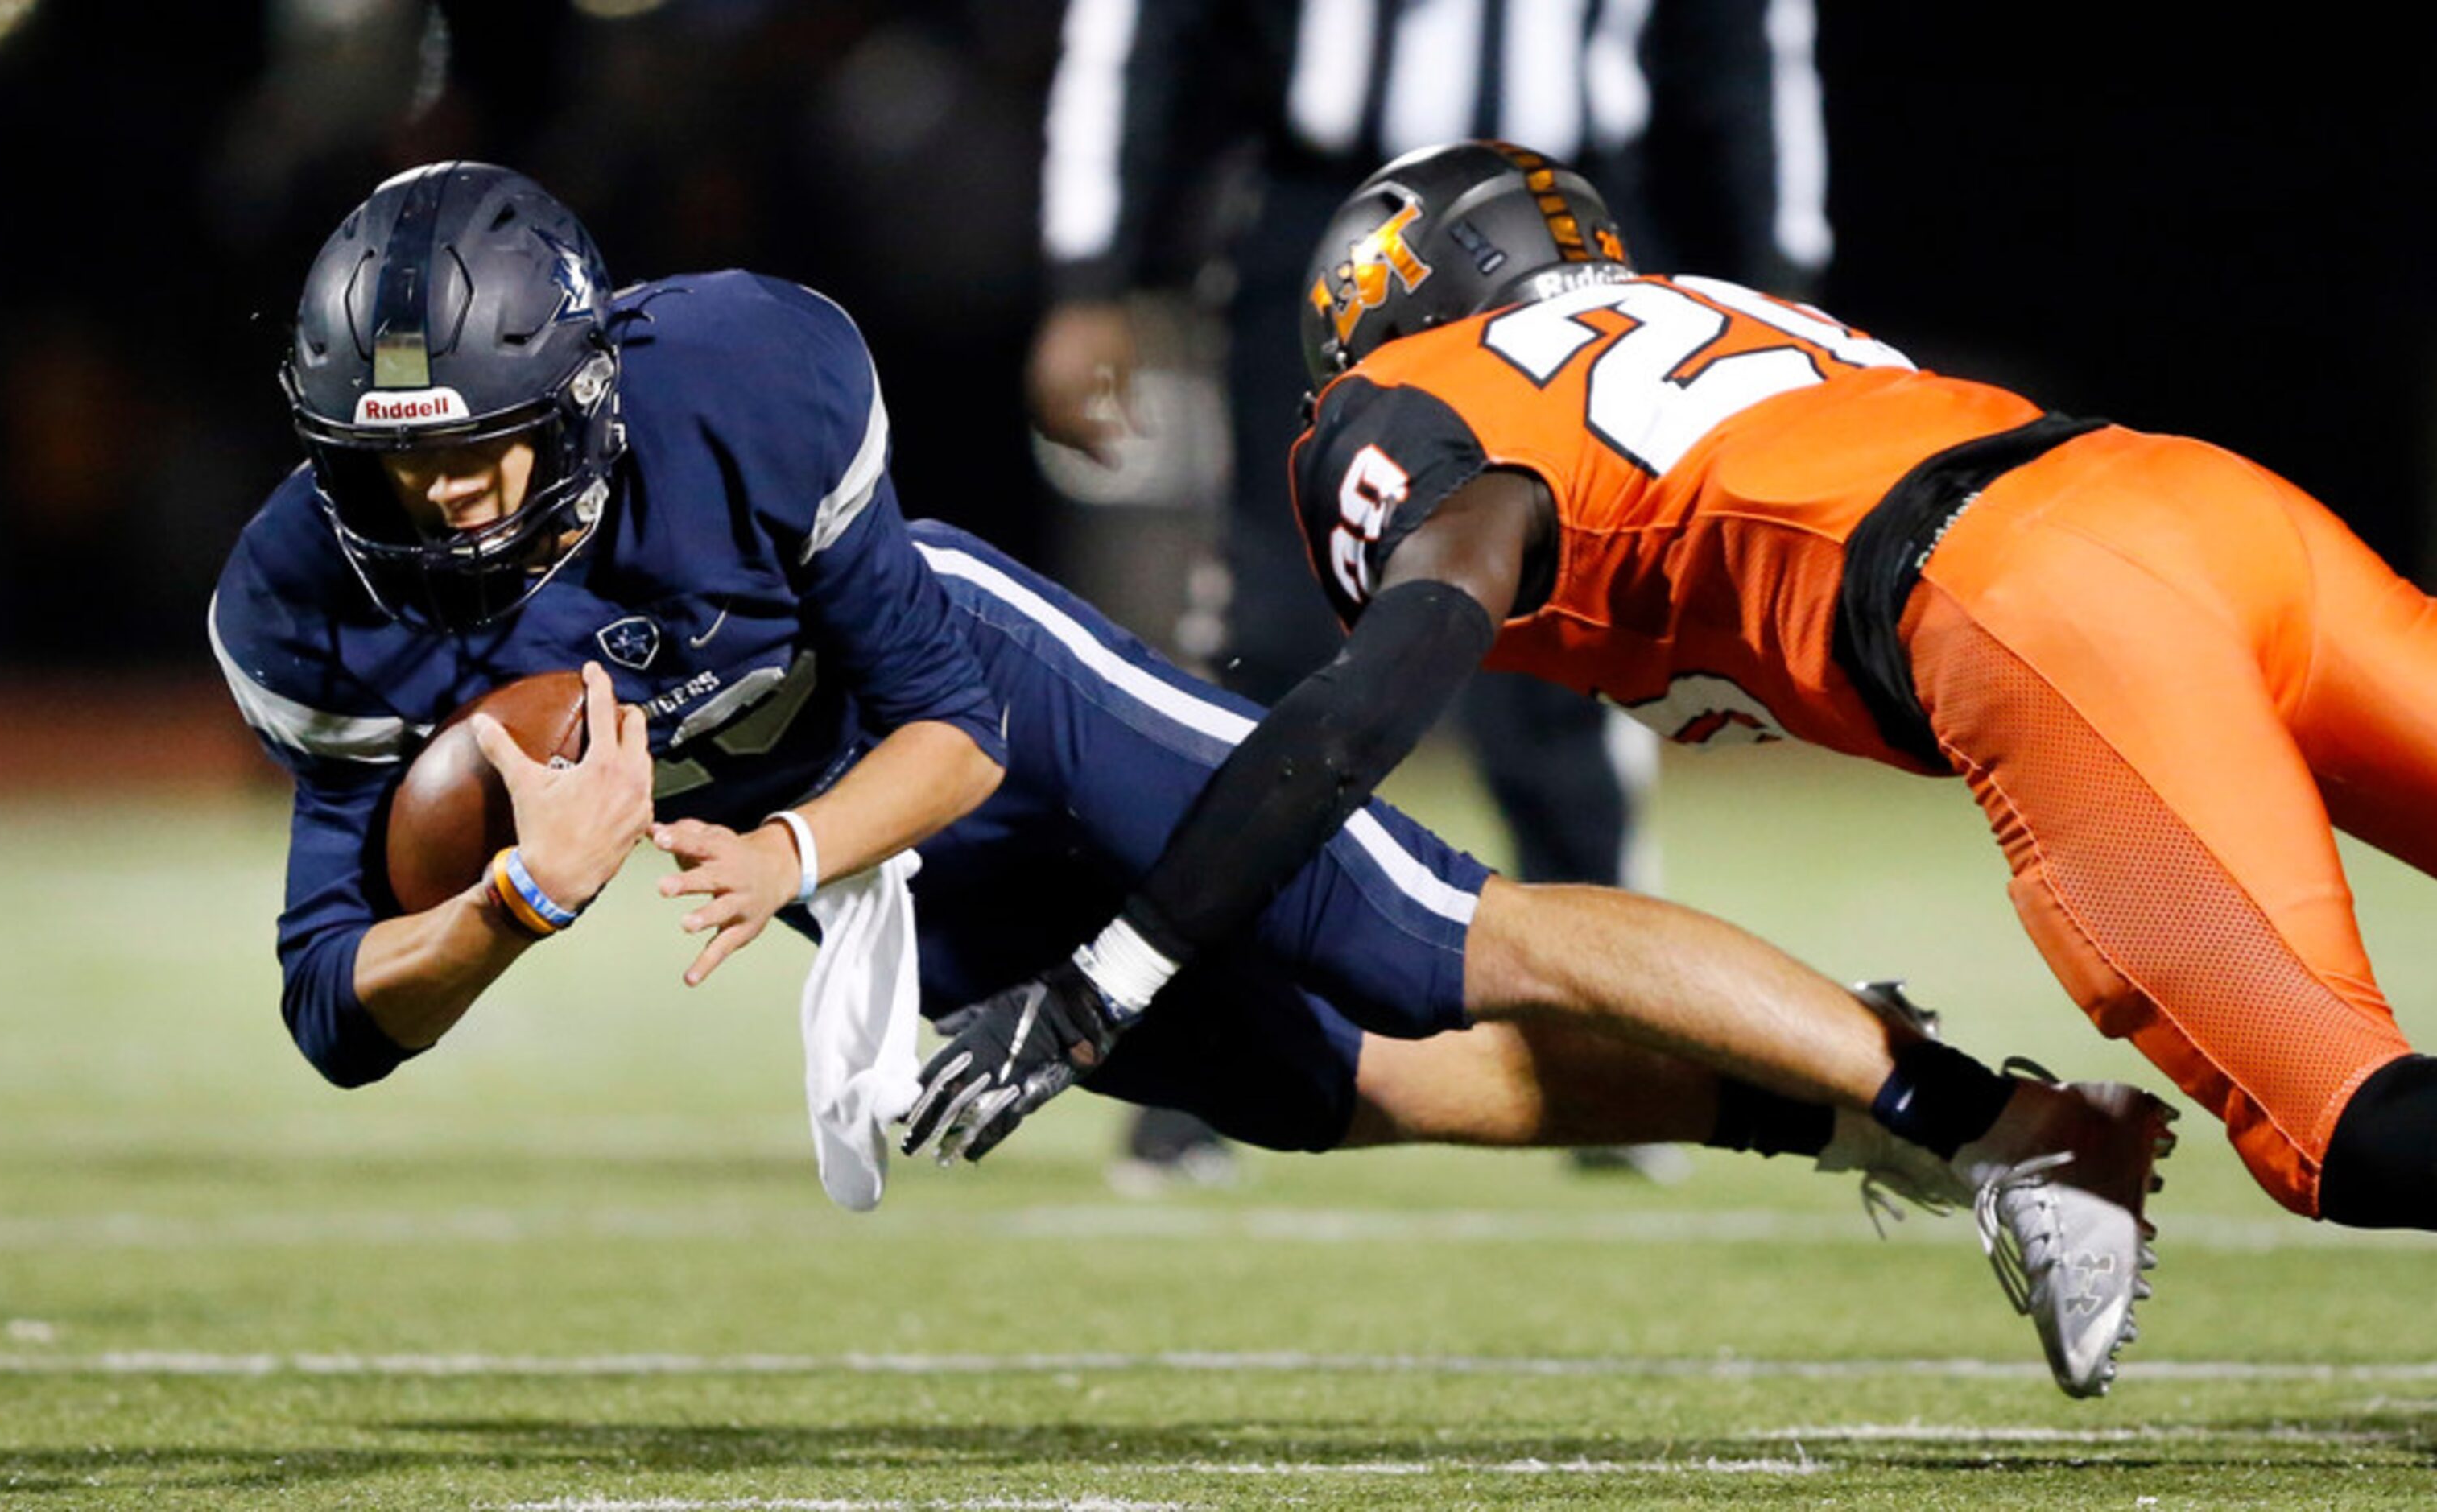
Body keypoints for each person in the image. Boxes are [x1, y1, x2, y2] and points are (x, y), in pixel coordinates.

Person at [209, 161, 2172, 1398]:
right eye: (394, 465)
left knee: (1423, 944)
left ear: (594, 392)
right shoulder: (311, 598)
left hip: (967, 713)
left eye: (484, 446)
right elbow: (334, 1015)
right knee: (1334, 1090)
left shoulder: (744, 382)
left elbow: (954, 722)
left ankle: (2007, 1129)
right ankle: (1856, 1112)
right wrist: (510, 906)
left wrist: (789, 847)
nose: (448, 502)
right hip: (851, 856)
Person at [919, 138, 2437, 1394]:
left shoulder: (1426, 405)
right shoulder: (1730, 320)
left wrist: (1107, 983)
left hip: (2034, 609)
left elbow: (1365, 705)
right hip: (2195, 501)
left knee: (2337, 1129)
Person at [1031, 0, 1832, 1184]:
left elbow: (1747, 51)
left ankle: (1614, 1049)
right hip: (1335, 225)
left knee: (1574, 632)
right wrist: (1086, 272)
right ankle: (1209, 1047)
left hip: (1571, 228)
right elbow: (1137, 29)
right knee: (1270, 638)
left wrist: (1779, 287)